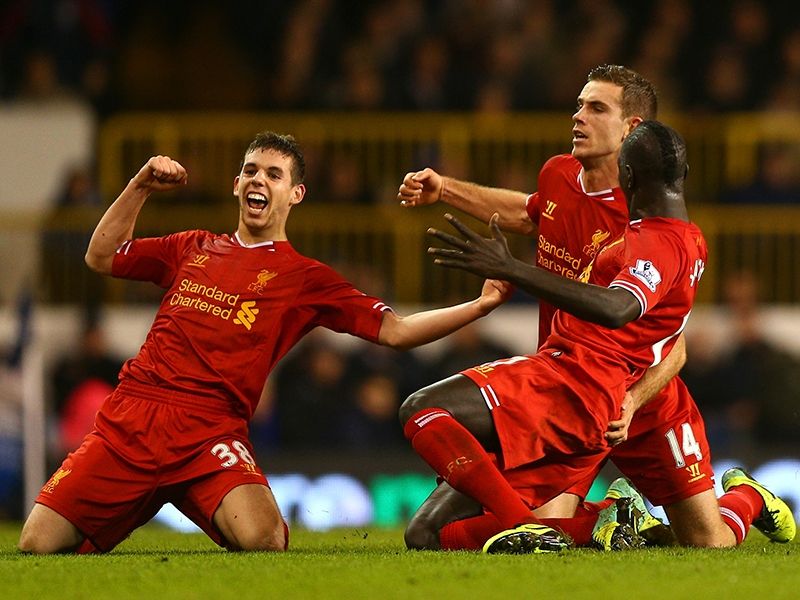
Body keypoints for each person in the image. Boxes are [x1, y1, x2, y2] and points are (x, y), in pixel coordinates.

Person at [18, 131, 513, 555]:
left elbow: (397, 331)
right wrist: (141, 185)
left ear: (295, 194)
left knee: (264, 540)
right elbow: (101, 256)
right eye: (251, 171)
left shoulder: (303, 277)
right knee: (36, 545)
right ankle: (137, 498)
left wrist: (480, 306)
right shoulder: (191, 246)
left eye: (274, 174)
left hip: (210, 431)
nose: (259, 180)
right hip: (134, 417)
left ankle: (164, 496)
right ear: (237, 185)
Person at [396, 66, 795, 550]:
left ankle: (746, 497)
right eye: (580, 104)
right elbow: (529, 213)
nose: (578, 116)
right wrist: (447, 191)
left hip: (642, 394)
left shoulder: (644, 224)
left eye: (596, 108)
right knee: (526, 523)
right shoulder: (560, 174)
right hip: (571, 387)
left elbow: (674, 342)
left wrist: (634, 399)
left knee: (708, 541)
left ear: (631, 131)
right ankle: (614, 518)